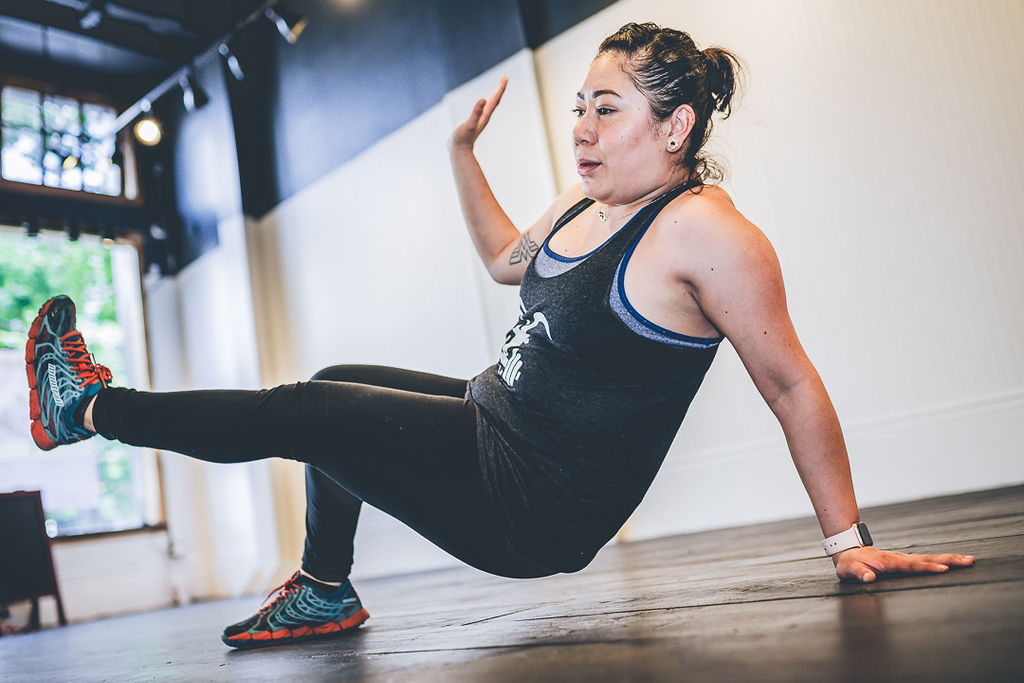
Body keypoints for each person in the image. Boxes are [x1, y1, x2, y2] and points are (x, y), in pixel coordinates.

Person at [25, 22, 973, 649]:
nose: (584, 130)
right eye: (580, 108)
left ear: (676, 123)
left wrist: (847, 541)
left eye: (609, 109)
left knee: (307, 412)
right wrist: (459, 154)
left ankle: (88, 410)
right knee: (339, 380)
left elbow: (791, 385)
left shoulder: (710, 237)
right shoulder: (587, 199)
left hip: (530, 502)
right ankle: (325, 586)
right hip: (491, 415)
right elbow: (504, 264)